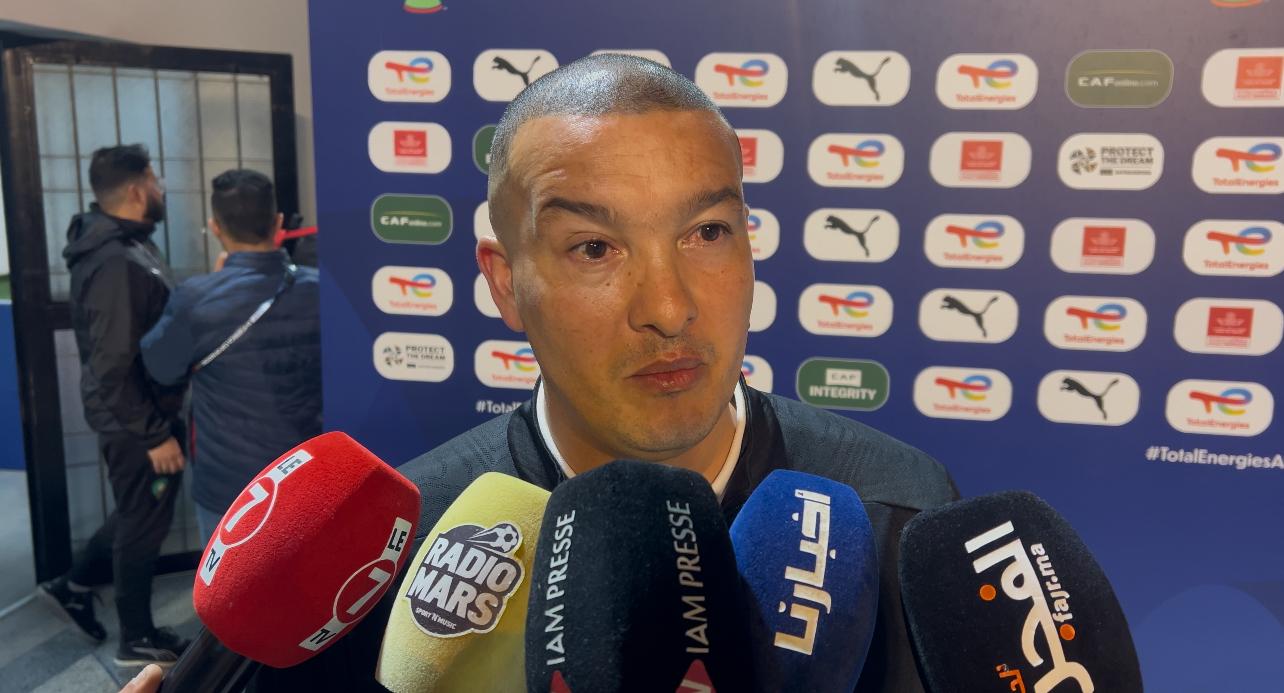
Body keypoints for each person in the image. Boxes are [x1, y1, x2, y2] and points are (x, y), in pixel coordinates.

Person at [252, 54, 957, 692]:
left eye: (707, 232)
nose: (669, 309)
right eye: (595, 248)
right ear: (505, 282)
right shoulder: (396, 561)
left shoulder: (902, 516)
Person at [39, 144, 190, 667]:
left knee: (135, 511)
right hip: (135, 420)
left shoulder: (128, 243)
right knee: (141, 523)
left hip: (139, 411)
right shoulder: (115, 262)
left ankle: (74, 584)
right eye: (156, 179)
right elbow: (112, 365)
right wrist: (154, 434)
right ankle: (136, 638)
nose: (161, 188)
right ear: (136, 188)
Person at [141, 169, 322, 546]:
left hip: (230, 487)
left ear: (215, 228)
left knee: (228, 582)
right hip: (308, 473)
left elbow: (160, 368)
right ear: (278, 223)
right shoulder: (319, 289)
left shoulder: (195, 298)